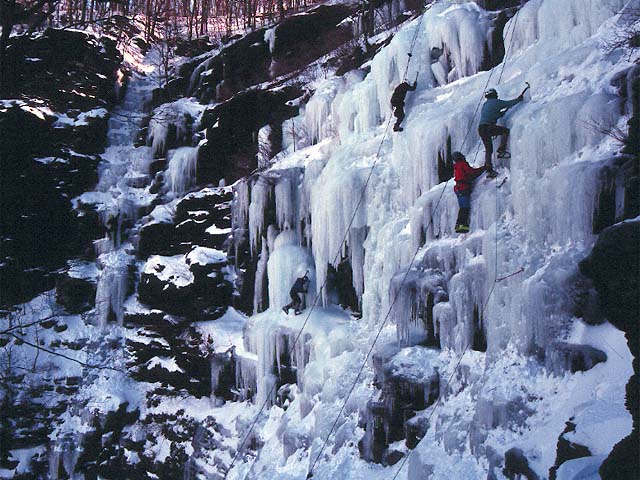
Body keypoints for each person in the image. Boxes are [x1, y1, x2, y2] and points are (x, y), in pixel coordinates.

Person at [478, 87, 526, 176]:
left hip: (481, 128)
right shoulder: (496, 102)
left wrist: (500, 114)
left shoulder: (485, 104)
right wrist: (519, 99)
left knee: (488, 150)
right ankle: (501, 150)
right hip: (489, 127)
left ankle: (488, 168)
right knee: (505, 131)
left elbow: (491, 114)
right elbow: (508, 103)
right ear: (494, 95)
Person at [453, 151, 486, 233]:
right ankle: (462, 226)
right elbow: (471, 173)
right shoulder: (463, 164)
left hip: (458, 189)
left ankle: (459, 225)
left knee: (462, 208)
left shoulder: (456, 166)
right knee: (465, 208)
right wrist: (483, 169)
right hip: (463, 188)